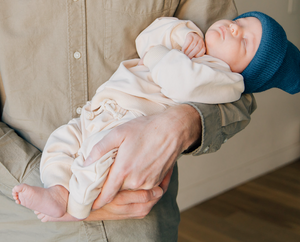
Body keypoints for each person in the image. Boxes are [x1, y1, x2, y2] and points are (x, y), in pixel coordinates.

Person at [0, 1, 257, 241]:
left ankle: (75, 202)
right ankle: (63, 196)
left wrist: (183, 123)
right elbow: (159, 35)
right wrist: (33, 175)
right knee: (64, 142)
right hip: (21, 220)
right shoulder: (182, 41)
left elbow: (240, 86)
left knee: (98, 153)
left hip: (140, 217)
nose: (237, 30)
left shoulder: (216, 68)